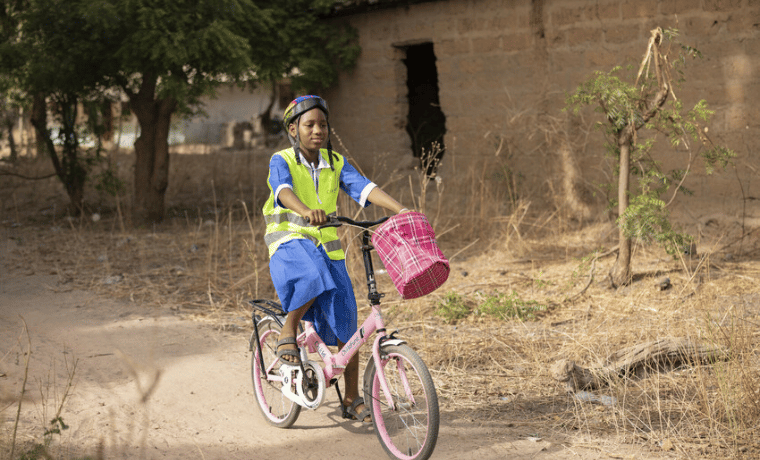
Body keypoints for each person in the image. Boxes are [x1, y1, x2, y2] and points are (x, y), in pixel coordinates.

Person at [262, 95, 410, 423]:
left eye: (323, 124)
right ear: (293, 129)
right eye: (309, 124)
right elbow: (282, 190)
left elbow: (364, 188)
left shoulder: (335, 162)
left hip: (327, 246)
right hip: (289, 241)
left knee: (348, 323)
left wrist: (400, 209)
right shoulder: (281, 159)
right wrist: (305, 210)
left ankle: (352, 397)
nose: (317, 130)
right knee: (312, 274)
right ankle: (289, 327)